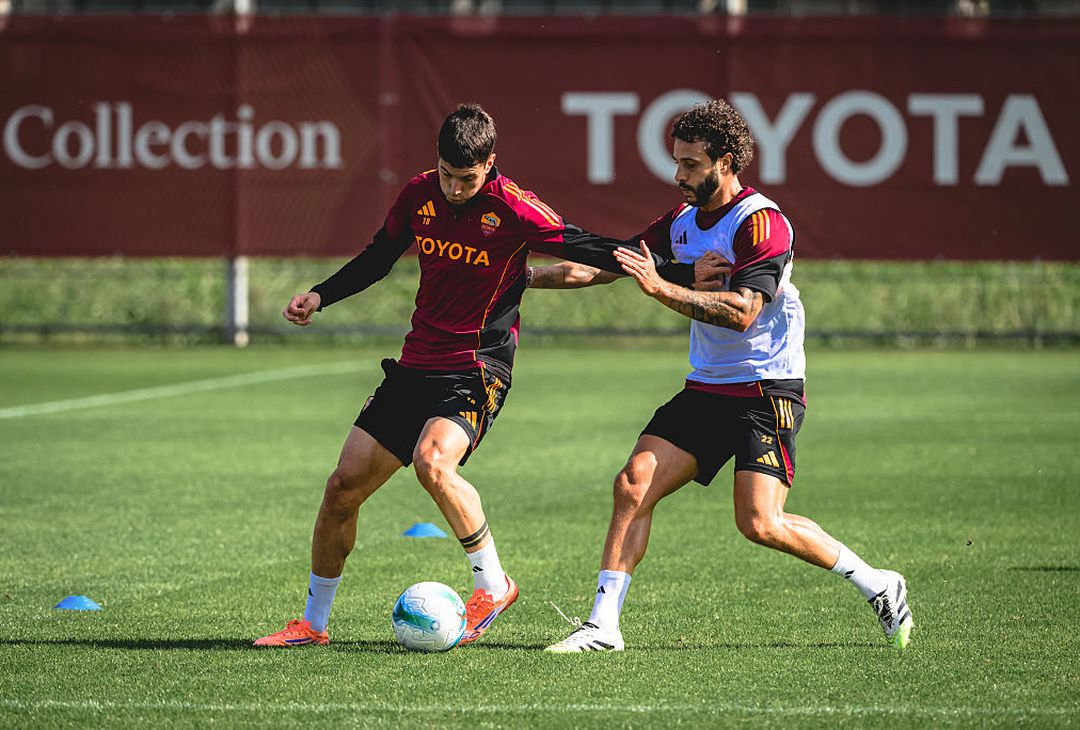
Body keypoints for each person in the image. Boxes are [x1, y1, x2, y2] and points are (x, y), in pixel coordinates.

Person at [254, 103, 693, 648]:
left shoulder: (514, 208)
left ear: (491, 164)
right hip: (416, 363)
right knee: (341, 488)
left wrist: (679, 270)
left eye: (467, 178)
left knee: (433, 461)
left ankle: (494, 584)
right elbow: (377, 257)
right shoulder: (418, 195)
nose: (455, 188)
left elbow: (588, 246)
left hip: (478, 366)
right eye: (446, 175)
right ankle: (313, 625)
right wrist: (321, 295)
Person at [534, 99, 913, 653]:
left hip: (766, 389)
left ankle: (880, 584)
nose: (678, 175)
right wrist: (517, 281)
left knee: (760, 522)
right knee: (633, 484)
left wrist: (662, 287)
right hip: (706, 387)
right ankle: (603, 627)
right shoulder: (680, 223)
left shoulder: (761, 223)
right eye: (677, 163)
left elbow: (742, 313)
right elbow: (608, 265)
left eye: (690, 165)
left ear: (726, 162)